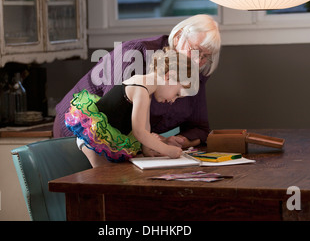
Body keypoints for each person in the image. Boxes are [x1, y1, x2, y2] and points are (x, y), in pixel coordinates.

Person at [54, 14, 221, 150]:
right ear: (177, 38)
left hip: (128, 145)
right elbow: (113, 119)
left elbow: (200, 128)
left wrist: (181, 140)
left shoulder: (193, 75)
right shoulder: (135, 53)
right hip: (79, 135)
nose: (199, 61)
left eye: (206, 56)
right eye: (197, 51)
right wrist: (155, 144)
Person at [65, 49, 198, 167]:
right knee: (104, 179)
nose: (172, 101)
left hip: (104, 137)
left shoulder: (147, 91)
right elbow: (139, 132)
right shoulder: (140, 88)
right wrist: (168, 150)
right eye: (177, 94)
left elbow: (146, 128)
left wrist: (147, 149)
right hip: (94, 137)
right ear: (169, 76)